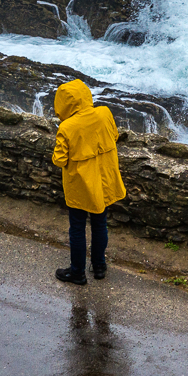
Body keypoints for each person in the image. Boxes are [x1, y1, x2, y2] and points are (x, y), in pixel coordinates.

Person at [52, 79, 126, 285]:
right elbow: (115, 135)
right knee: (100, 223)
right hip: (103, 181)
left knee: (77, 227)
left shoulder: (67, 127)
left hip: (80, 186)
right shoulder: (104, 113)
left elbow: (59, 159)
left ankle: (77, 272)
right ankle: (99, 265)